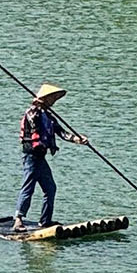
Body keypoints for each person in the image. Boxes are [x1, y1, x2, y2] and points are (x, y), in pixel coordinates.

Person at [14, 84, 88, 231]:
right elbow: (34, 122)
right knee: (28, 187)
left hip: (41, 158)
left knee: (50, 188)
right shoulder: (32, 112)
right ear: (45, 98)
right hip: (31, 156)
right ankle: (18, 219)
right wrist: (38, 106)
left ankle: (45, 220)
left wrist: (78, 139)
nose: (54, 100)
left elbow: (62, 133)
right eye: (52, 98)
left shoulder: (49, 117)